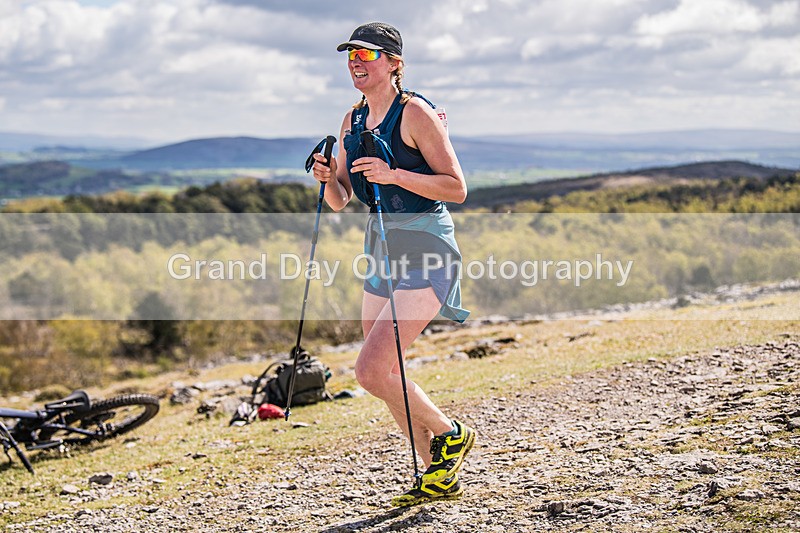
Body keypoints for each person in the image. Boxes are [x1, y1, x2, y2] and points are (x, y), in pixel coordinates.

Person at [310, 22, 476, 507]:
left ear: (394, 63)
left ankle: (451, 433)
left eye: (367, 55)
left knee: (370, 370)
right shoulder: (352, 121)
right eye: (351, 56)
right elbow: (341, 199)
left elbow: (456, 188)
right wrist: (326, 177)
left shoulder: (416, 113)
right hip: (382, 249)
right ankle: (435, 475)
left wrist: (393, 173)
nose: (356, 63)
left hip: (427, 246)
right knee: (384, 370)